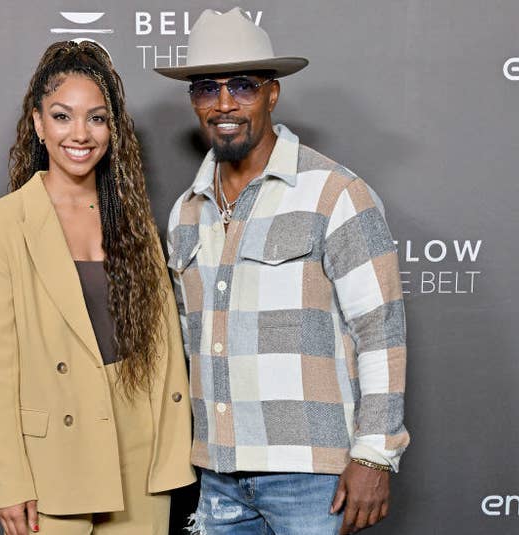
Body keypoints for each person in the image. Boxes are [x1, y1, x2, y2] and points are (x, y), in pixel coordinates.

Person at [156, 8, 410, 535]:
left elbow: (380, 329)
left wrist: (375, 454)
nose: (224, 104)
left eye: (242, 86)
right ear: (193, 102)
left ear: (273, 93)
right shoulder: (185, 210)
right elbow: (186, 342)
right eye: (206, 88)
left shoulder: (335, 193)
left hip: (314, 478)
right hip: (217, 476)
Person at [0, 40, 195, 535]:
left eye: (96, 118)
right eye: (62, 116)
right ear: (38, 124)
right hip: (54, 463)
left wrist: (173, 453)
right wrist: (10, 482)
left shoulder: (134, 224)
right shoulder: (1, 224)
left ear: (112, 129)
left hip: (139, 454)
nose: (80, 134)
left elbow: (162, 349)